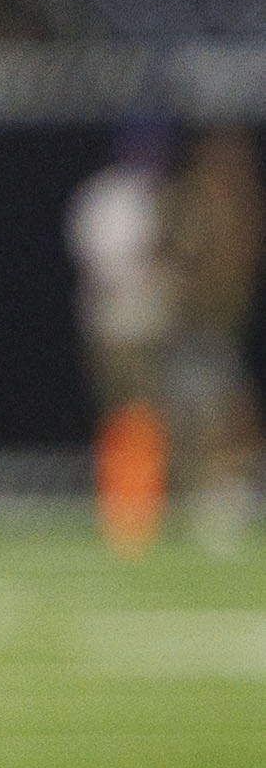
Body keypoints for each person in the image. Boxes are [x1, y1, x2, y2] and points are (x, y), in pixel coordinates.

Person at [75, 121, 181, 554]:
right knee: (131, 416)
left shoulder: (116, 196)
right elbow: (111, 266)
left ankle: (135, 506)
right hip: (124, 322)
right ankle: (129, 508)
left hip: (129, 321)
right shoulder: (122, 198)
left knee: (138, 417)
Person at [164, 125, 262, 556]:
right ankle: (206, 501)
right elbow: (181, 263)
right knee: (206, 414)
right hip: (201, 327)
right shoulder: (192, 202)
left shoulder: (242, 203)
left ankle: (224, 497)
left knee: (228, 412)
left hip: (233, 324)